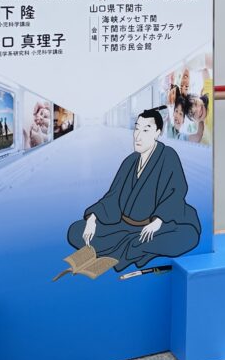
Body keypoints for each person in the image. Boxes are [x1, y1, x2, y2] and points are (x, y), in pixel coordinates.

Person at [66, 108, 200, 272]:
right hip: (124, 226)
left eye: (145, 130)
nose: (138, 136)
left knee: (186, 235)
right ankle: (135, 248)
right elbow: (112, 197)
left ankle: (132, 248)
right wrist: (92, 220)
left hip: (157, 226)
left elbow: (175, 193)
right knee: (76, 231)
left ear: (157, 133)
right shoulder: (130, 161)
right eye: (137, 129)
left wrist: (157, 222)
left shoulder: (168, 156)